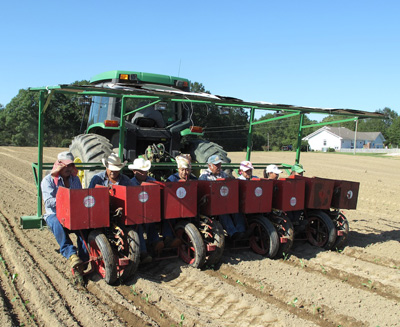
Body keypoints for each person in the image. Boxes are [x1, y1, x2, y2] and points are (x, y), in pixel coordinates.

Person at [41, 151, 88, 276]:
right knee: (56, 223)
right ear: (59, 165)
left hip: (73, 213)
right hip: (54, 213)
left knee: (85, 227)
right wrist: (66, 199)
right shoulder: (48, 181)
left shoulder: (75, 179)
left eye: (70, 165)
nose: (68, 168)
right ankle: (71, 254)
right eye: (65, 166)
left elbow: (79, 196)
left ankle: (84, 259)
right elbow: (49, 202)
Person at [199, 155, 246, 240]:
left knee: (236, 209)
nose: (219, 167)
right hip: (212, 204)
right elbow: (202, 193)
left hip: (224, 200)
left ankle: (242, 231)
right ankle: (233, 233)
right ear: (210, 166)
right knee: (222, 212)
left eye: (220, 164)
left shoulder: (223, 174)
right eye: (216, 165)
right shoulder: (204, 176)